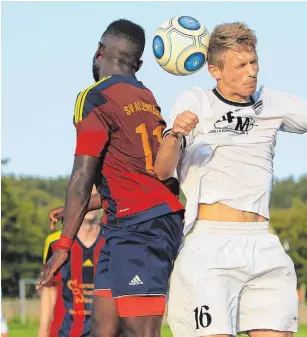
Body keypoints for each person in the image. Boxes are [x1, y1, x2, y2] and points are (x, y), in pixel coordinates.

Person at [154, 22, 307, 337]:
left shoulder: (272, 102)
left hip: (262, 243)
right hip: (210, 246)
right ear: (215, 71)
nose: (251, 71)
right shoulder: (196, 101)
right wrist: (176, 133)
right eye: (240, 65)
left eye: (253, 62)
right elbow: (162, 171)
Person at [36, 19, 184, 337]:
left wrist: (64, 245)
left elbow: (81, 174)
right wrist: (87, 206)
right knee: (102, 328)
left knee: (139, 332)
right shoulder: (145, 96)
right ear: (139, 63)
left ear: (99, 51)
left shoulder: (95, 97)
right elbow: (133, 176)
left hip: (143, 227)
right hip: (125, 225)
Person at [38, 188, 105, 337]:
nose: (89, 200)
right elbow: (49, 291)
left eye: (94, 195)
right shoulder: (55, 244)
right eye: (85, 194)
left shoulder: (113, 241)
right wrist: (42, 333)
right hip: (65, 332)